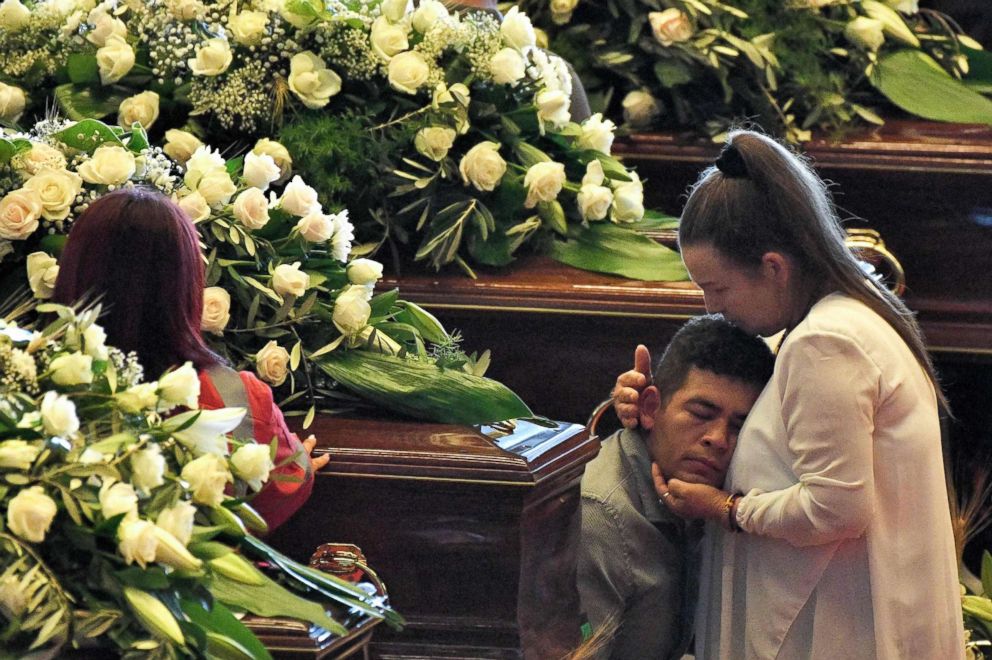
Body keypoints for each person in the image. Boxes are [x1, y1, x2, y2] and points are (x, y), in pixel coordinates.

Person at [613, 130, 964, 658]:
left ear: (774, 267)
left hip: (839, 629)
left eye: (719, 288)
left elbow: (837, 508)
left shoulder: (825, 341)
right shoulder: (828, 320)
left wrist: (727, 508)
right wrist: (644, 404)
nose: (711, 306)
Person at [54, 187, 329, 531]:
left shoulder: (37, 385)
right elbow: (278, 491)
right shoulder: (234, 399)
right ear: (185, 282)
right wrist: (298, 465)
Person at [578, 315, 774, 659]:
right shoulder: (601, 516)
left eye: (739, 427)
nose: (718, 439)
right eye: (701, 413)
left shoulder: (713, 494)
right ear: (651, 407)